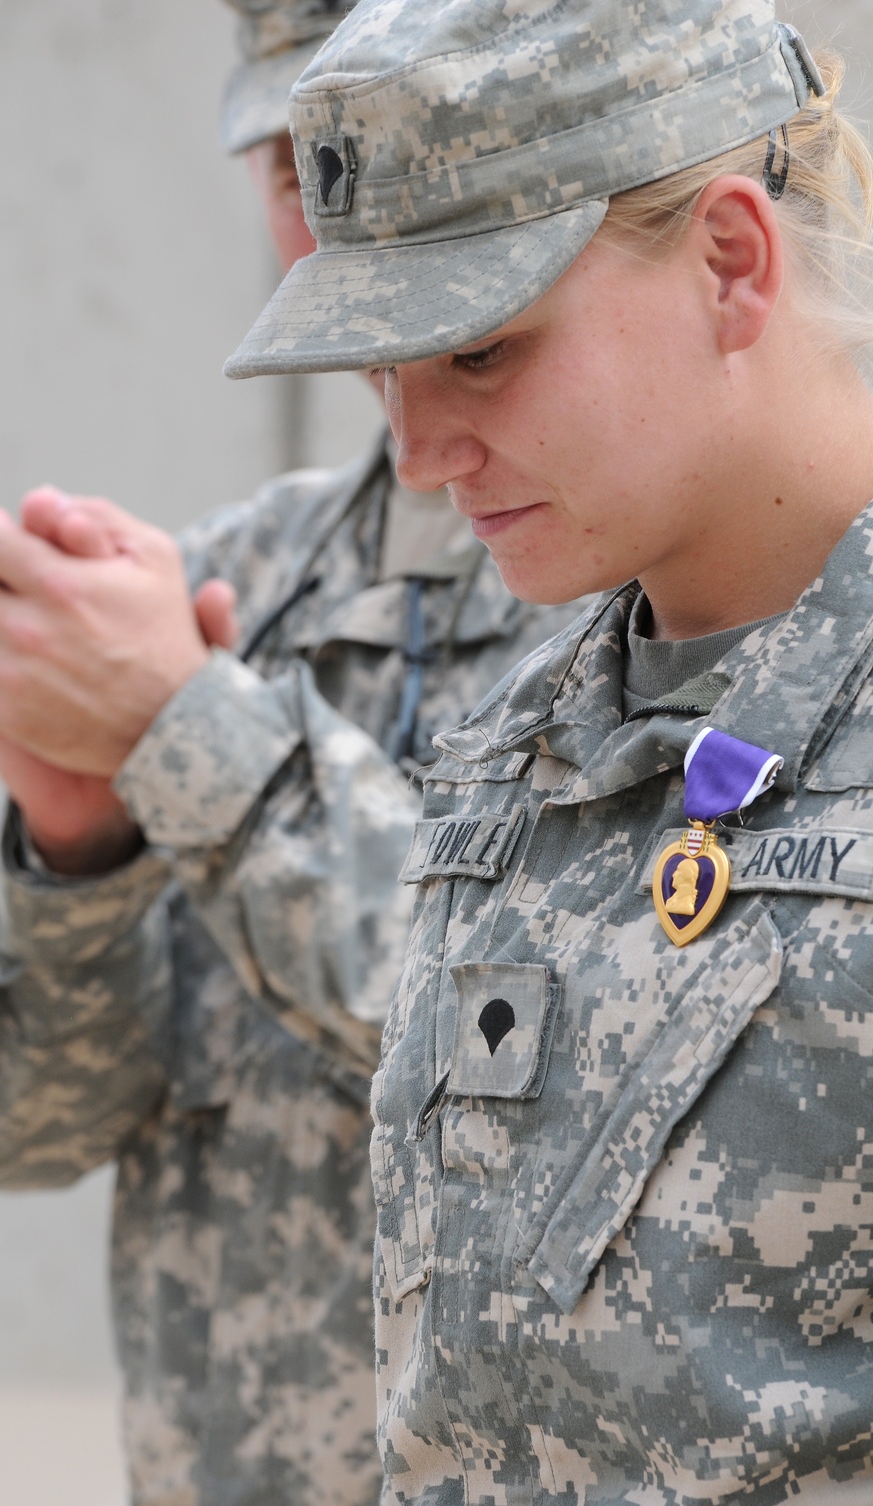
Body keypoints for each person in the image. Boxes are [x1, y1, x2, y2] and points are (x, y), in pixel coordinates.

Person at [0, 2, 587, 1503]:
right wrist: (76, 845)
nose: (328, 219)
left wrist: (185, 737)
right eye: (287, 164)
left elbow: (572, 1050)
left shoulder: (702, 595)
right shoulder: (223, 590)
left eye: (370, 156)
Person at [221, 0, 873, 1499]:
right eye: (385, 370)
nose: (417, 452)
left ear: (731, 262)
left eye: (481, 351)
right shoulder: (516, 744)